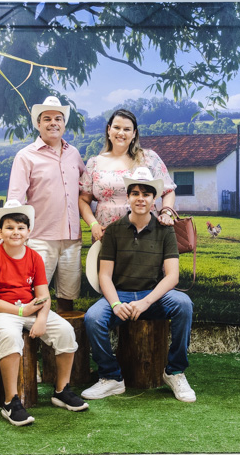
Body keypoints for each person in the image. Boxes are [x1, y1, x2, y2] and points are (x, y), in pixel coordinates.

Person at [81, 167, 196, 403]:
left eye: (146, 194)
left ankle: (175, 372)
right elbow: (105, 276)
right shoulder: (113, 230)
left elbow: (172, 277)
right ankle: (111, 377)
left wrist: (145, 302)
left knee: (183, 304)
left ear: (154, 200)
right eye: (135, 193)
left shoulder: (165, 231)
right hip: (120, 295)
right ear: (128, 197)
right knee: (93, 318)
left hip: (153, 296)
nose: (140, 198)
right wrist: (115, 304)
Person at [0, 200, 89, 426]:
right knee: (11, 337)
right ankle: (10, 402)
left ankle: (61, 390)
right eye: (9, 227)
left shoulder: (34, 257)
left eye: (21, 228)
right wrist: (21, 310)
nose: (15, 232)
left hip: (31, 309)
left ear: (29, 232)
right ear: (0, 232)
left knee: (65, 331)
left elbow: (43, 296)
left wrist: (41, 319)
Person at [8, 96, 85, 313]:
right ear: (38, 124)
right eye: (47, 119)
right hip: (40, 238)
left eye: (58, 118)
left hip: (72, 239)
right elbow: (15, 199)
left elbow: (85, 188)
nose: (53, 123)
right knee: (34, 296)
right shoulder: (25, 156)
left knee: (68, 297)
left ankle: (65, 334)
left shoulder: (73, 153)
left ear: (64, 124)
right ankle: (34, 334)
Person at [79, 109, 177, 241]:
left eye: (127, 129)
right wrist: (93, 224)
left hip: (145, 233)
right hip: (106, 235)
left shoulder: (149, 158)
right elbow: (83, 200)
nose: (121, 133)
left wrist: (166, 213)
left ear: (134, 133)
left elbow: (168, 190)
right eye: (117, 127)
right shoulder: (94, 163)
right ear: (108, 130)